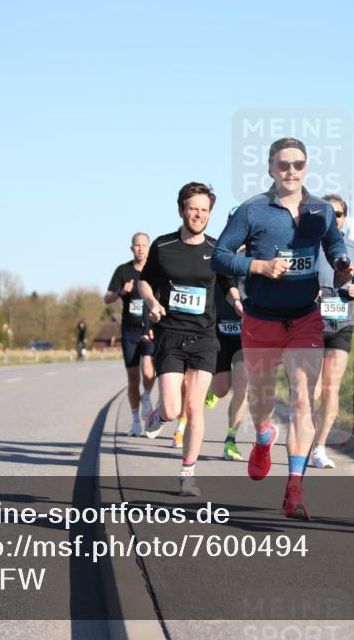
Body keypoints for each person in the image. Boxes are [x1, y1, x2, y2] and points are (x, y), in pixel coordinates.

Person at [212, 137, 353, 520]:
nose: (291, 171)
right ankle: (261, 438)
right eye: (283, 164)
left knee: (304, 399)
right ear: (271, 168)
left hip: (305, 318)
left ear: (307, 167)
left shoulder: (321, 210)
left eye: (298, 164)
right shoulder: (251, 211)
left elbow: (335, 244)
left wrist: (341, 263)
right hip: (260, 319)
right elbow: (220, 257)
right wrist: (258, 267)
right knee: (261, 402)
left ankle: (294, 487)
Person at [140, 182, 233, 497]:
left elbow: (228, 281)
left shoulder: (216, 248)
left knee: (195, 408)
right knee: (171, 406)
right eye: (193, 209)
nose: (199, 215)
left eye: (204, 210)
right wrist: (152, 303)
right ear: (181, 210)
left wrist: (237, 300)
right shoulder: (163, 246)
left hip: (205, 336)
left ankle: (188, 473)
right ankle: (159, 415)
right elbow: (144, 283)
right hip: (171, 334)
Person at [310, 195, 354, 469]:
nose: (335, 218)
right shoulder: (306, 246)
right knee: (312, 390)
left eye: (340, 213)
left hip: (341, 324)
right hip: (310, 324)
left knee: (331, 387)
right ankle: (305, 435)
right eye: (328, 214)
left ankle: (319, 447)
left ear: (345, 217)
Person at [105, 233, 156, 436]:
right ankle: (135, 421)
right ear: (132, 248)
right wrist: (120, 292)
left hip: (150, 329)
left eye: (144, 245)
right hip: (130, 331)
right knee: (133, 379)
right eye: (137, 245)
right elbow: (107, 298)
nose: (141, 249)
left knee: (149, 373)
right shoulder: (123, 270)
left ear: (149, 247)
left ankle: (147, 396)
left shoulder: (154, 271)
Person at [210, 244, 249, 461]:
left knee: (242, 388)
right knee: (221, 390)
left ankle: (231, 441)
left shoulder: (258, 257)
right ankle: (212, 389)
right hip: (220, 331)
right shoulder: (217, 258)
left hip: (246, 332)